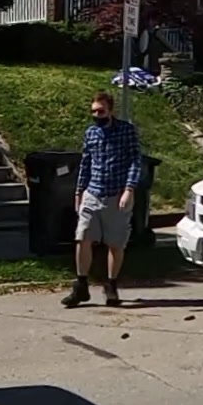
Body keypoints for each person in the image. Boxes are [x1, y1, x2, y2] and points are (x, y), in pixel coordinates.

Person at [70, 90, 150, 308]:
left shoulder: (126, 131)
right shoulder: (91, 133)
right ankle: (81, 285)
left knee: (115, 243)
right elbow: (86, 162)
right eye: (94, 111)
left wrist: (129, 189)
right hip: (92, 193)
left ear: (110, 110)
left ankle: (111, 285)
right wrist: (79, 191)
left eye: (101, 111)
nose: (97, 115)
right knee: (83, 237)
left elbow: (135, 161)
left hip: (116, 194)